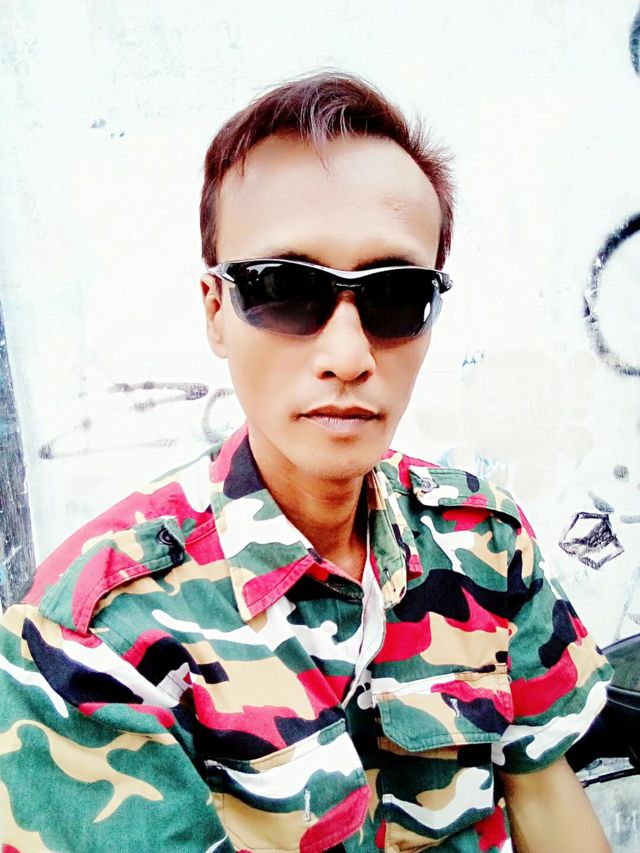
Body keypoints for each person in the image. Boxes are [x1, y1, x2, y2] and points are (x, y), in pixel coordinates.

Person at [0, 71, 612, 853]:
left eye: (395, 296)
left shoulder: (483, 539)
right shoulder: (91, 639)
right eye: (284, 289)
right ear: (216, 311)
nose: (348, 355)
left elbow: (547, 797)